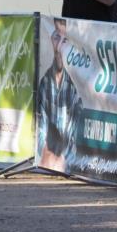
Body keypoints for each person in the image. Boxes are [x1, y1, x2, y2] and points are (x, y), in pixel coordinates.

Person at [35, 19, 82, 172]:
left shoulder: (75, 88)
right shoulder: (45, 83)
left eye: (65, 40)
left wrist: (62, 159)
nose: (60, 46)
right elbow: (41, 129)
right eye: (56, 37)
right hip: (47, 160)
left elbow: (74, 140)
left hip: (65, 163)